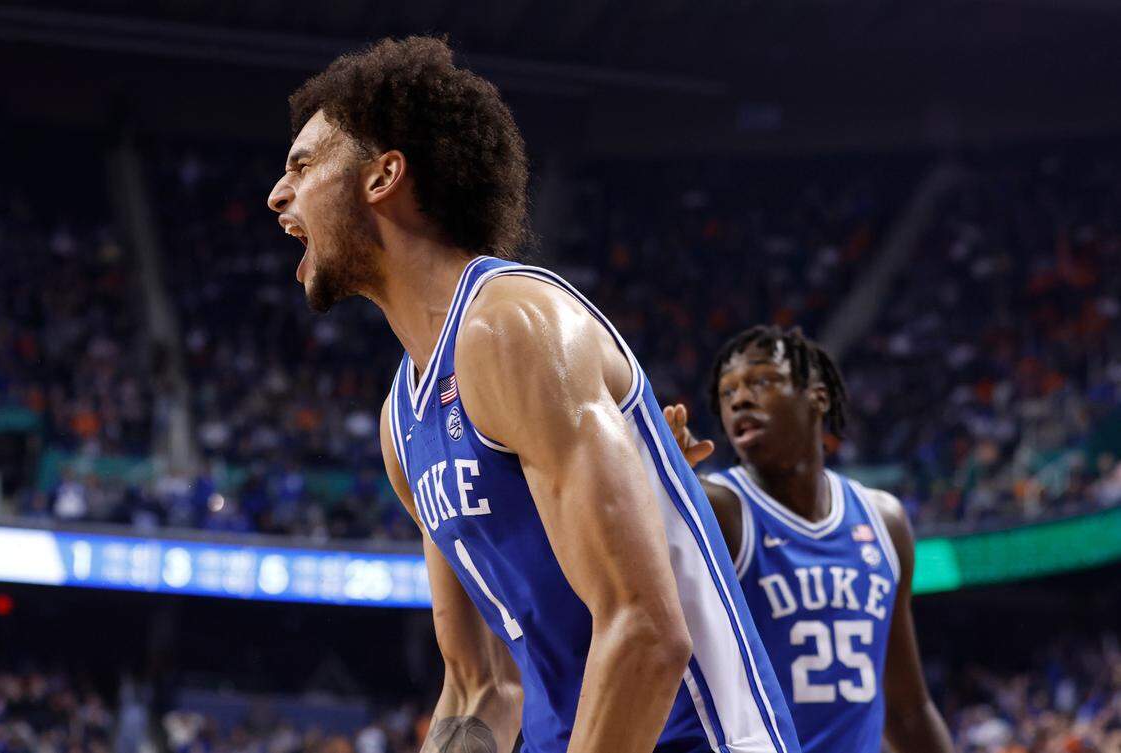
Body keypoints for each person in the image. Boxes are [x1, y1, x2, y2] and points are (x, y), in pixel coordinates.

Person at [267, 37, 799, 753]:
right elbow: (481, 685)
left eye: (303, 165)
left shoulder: (513, 324)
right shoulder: (403, 420)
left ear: (383, 175)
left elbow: (645, 631)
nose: (278, 193)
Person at [664, 325, 952, 753]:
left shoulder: (884, 520)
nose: (740, 399)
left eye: (762, 380)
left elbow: (907, 709)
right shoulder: (719, 509)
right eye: (727, 393)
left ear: (818, 395)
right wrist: (662, 490)